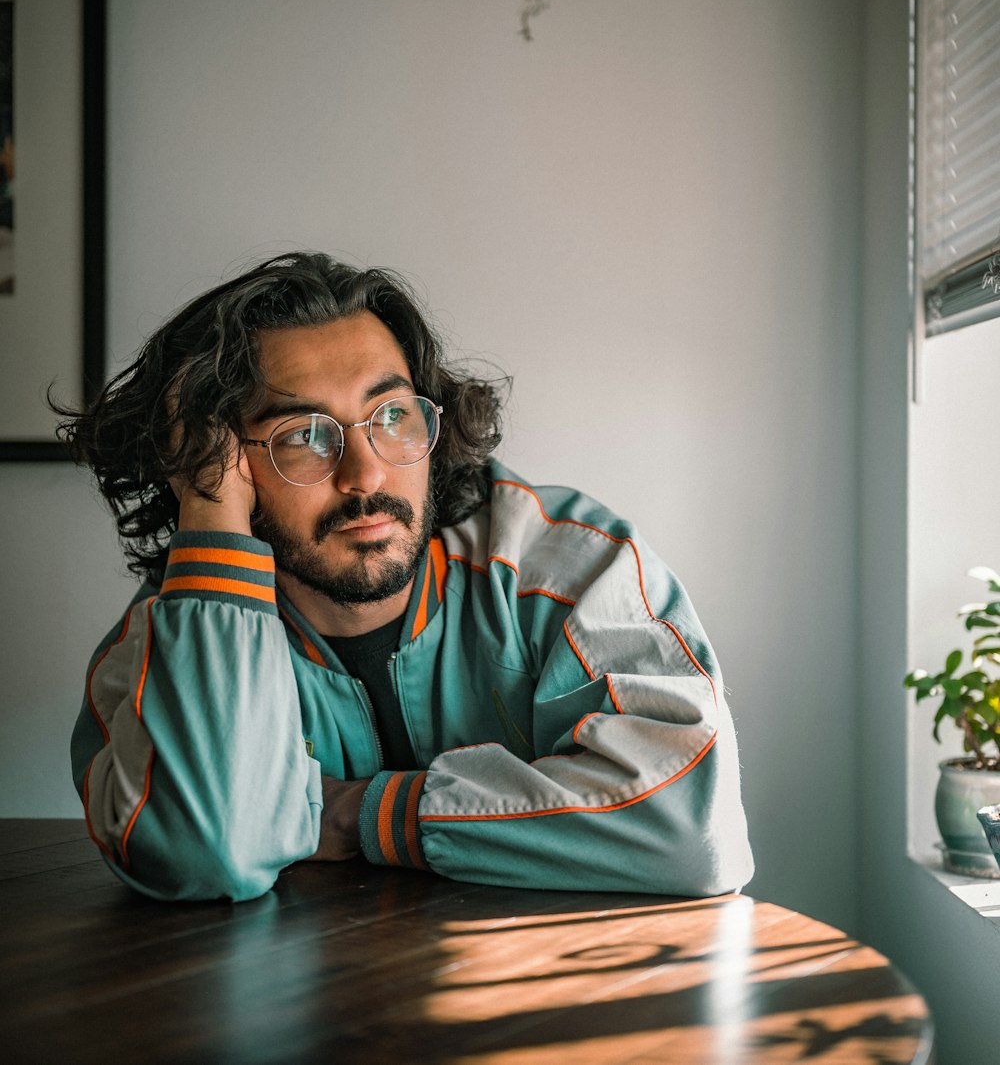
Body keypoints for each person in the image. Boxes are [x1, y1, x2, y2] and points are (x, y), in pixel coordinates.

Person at [60, 252, 753, 902]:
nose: (365, 475)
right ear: (223, 466)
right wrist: (208, 515)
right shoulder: (168, 637)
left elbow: (691, 827)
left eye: (391, 417)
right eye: (302, 433)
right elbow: (204, 849)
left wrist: (362, 812)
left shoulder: (562, 567)